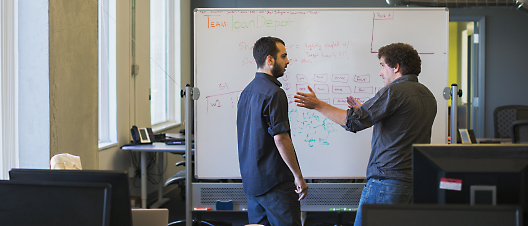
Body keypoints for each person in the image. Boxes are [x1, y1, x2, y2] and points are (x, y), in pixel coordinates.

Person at [294, 42, 437, 226]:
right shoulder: (427, 95)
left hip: (386, 184)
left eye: (382, 65)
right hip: (412, 184)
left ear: (396, 67)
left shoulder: (394, 92)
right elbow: (400, 126)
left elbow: (353, 121)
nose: (380, 72)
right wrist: (365, 111)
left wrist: (318, 105)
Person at [237, 36, 308, 226]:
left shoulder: (246, 92)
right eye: (283, 56)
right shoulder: (275, 93)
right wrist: (298, 176)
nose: (288, 61)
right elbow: (281, 138)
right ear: (270, 60)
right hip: (275, 184)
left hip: (253, 184)